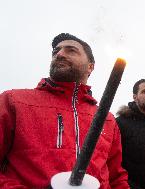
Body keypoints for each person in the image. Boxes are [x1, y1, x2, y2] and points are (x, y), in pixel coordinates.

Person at [0, 33, 129, 189]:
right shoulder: (13, 101)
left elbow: (116, 178)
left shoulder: (107, 119)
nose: (59, 54)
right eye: (56, 51)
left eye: (71, 50)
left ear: (90, 66)